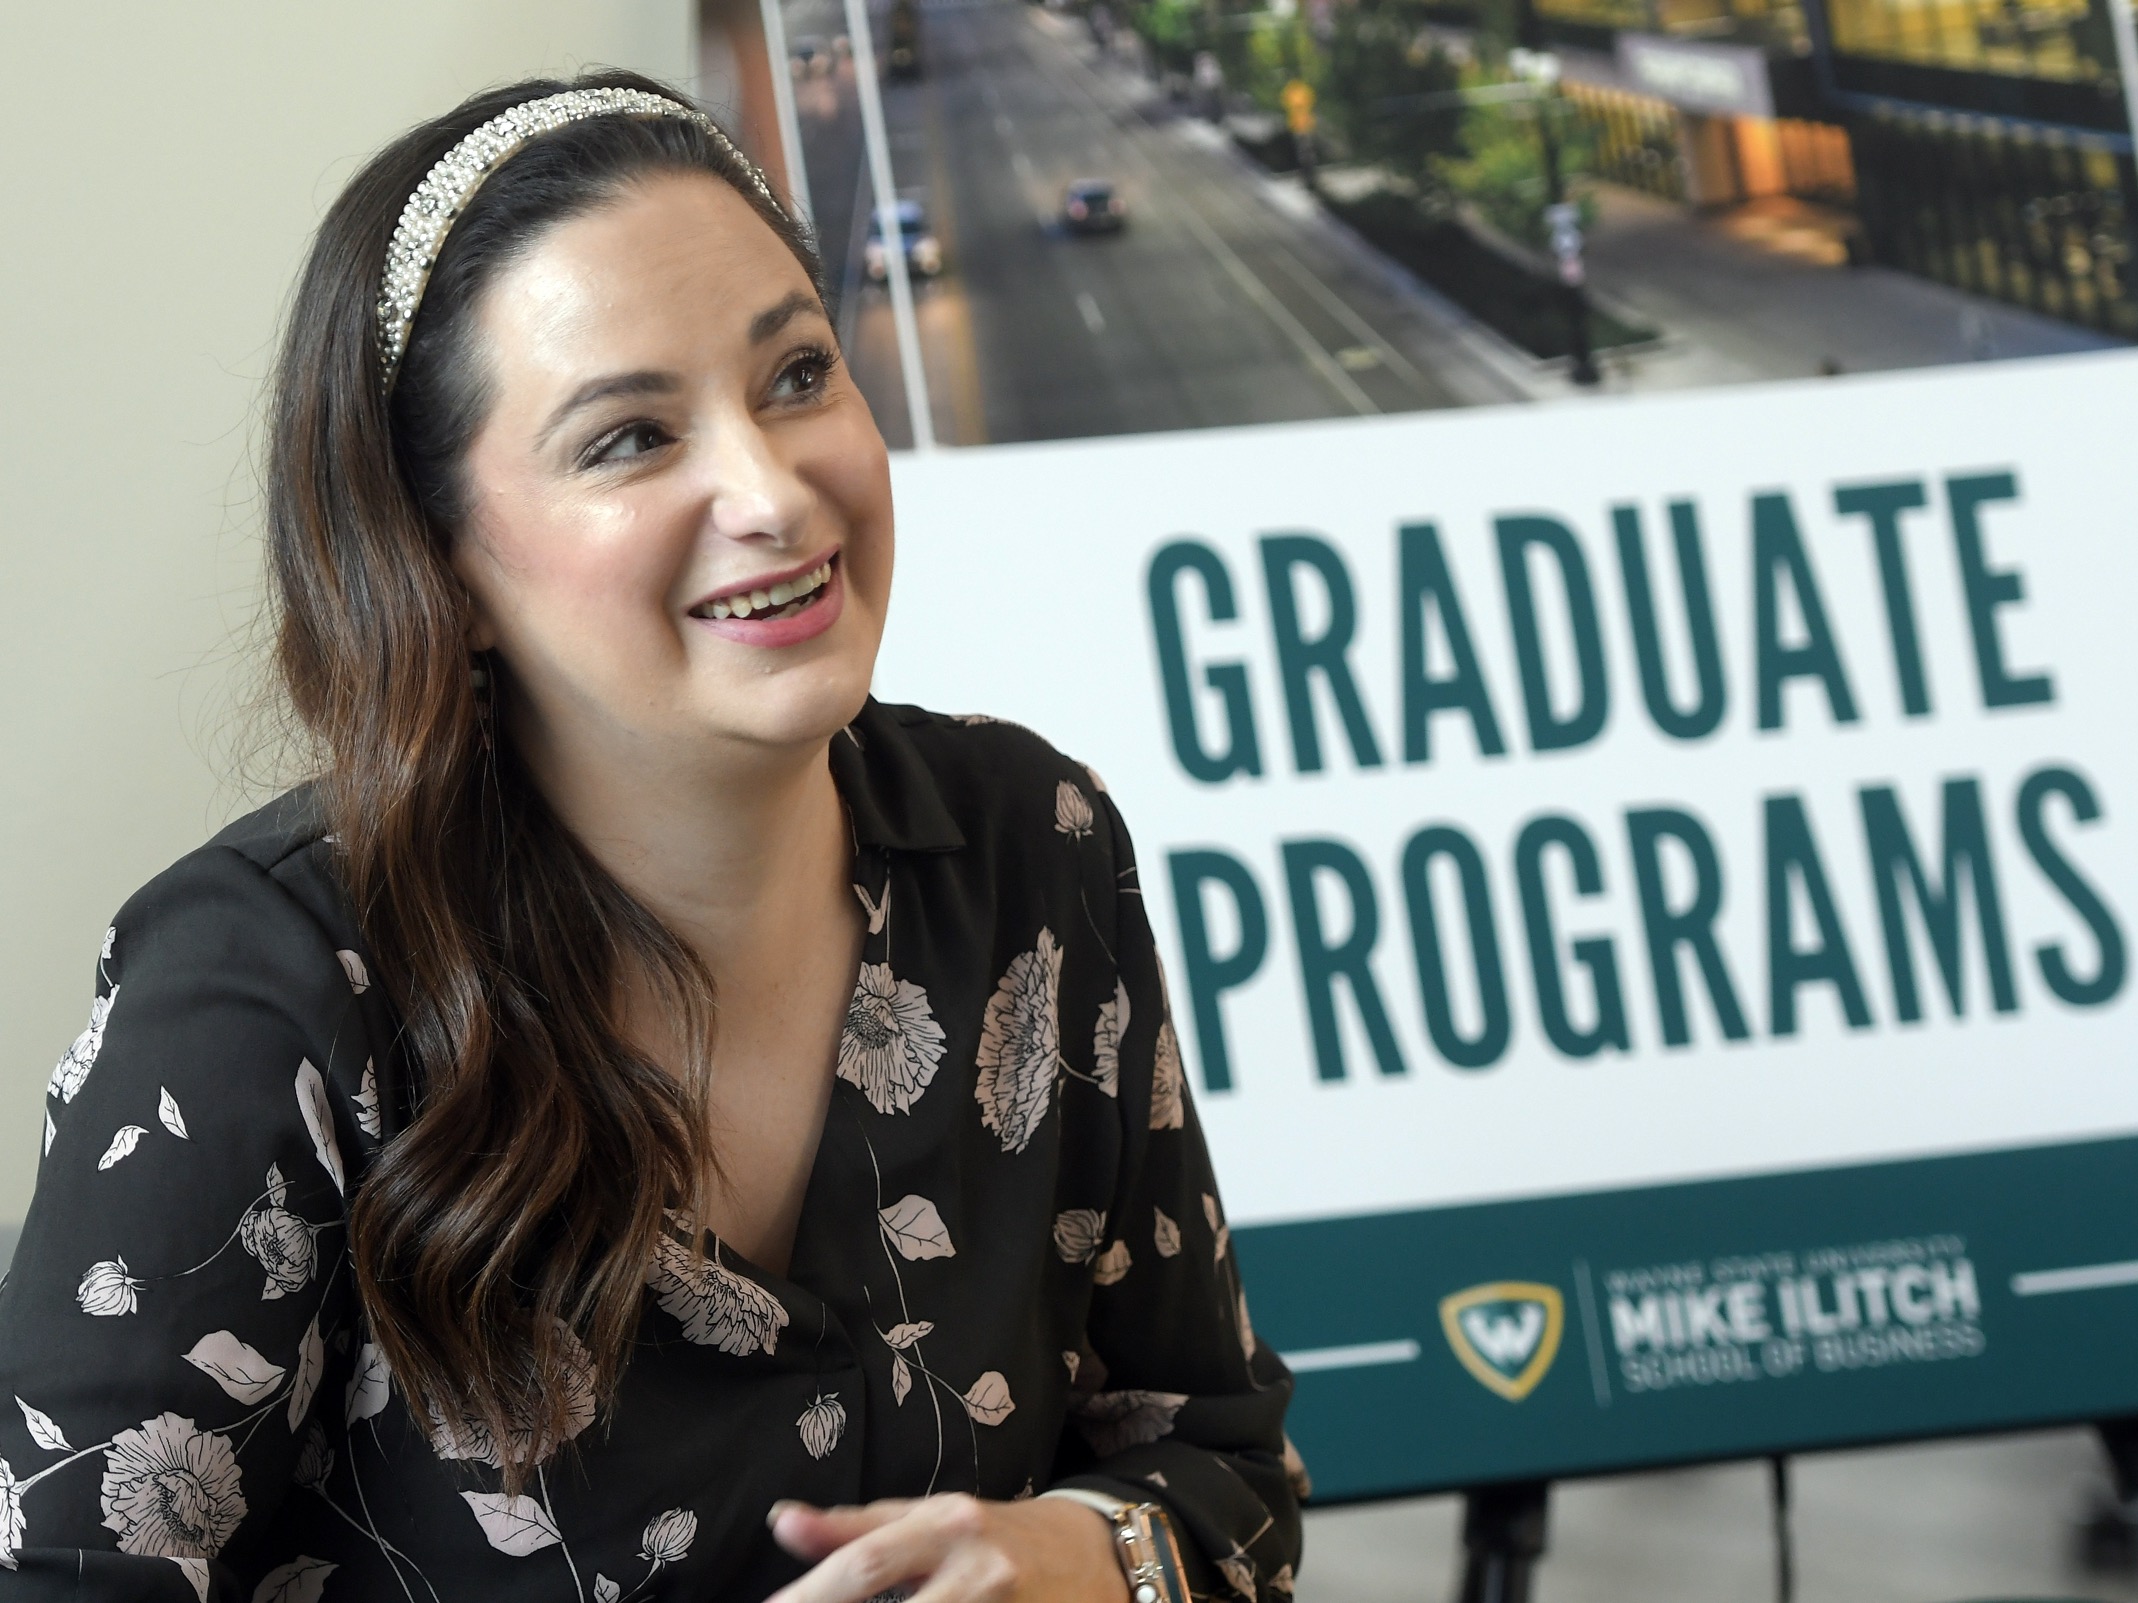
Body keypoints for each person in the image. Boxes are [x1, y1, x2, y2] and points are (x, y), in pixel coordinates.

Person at [0, 70, 1302, 1601]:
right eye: (628, 439)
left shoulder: (1036, 844)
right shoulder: (261, 996)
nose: (769, 490)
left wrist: (1085, 1556)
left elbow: (1228, 1475)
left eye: (800, 374)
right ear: (444, 566)